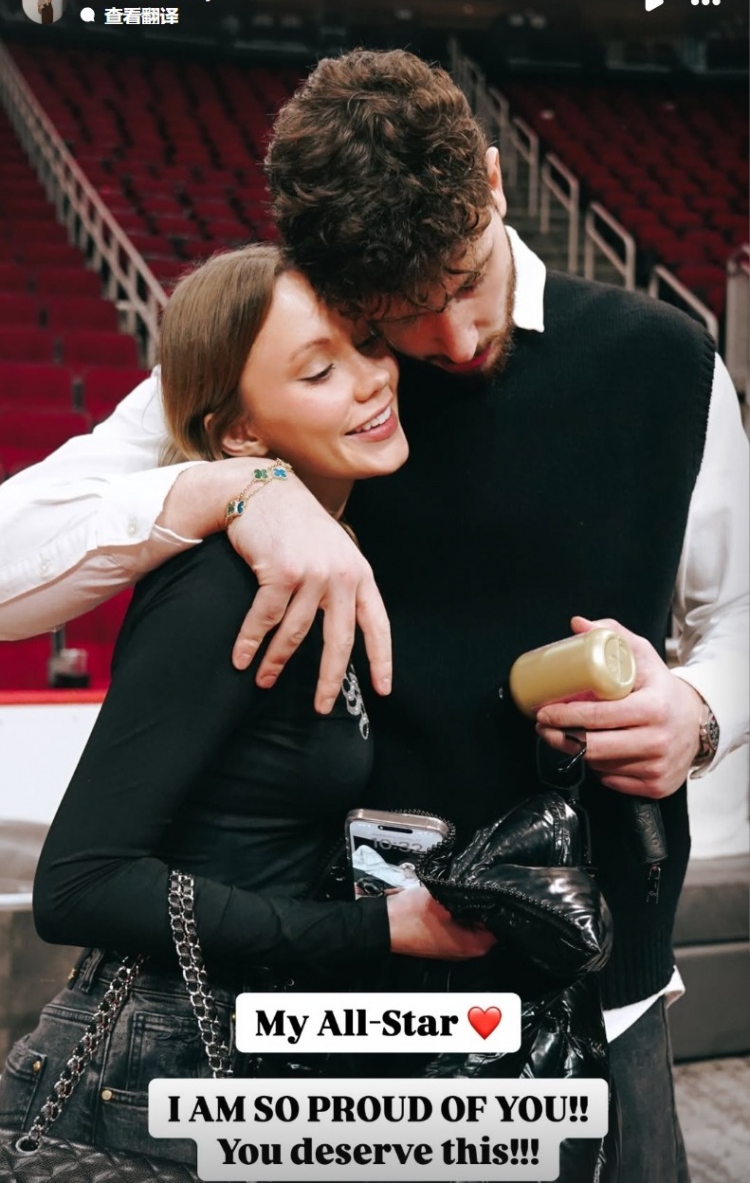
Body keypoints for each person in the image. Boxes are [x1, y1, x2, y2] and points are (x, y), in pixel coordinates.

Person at [0, 48, 747, 1183]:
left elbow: (738, 613)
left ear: (492, 178)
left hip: (596, 978)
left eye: (464, 279)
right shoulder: (294, 354)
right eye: (398, 316)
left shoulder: (668, 363)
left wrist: (697, 711)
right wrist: (230, 488)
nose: (453, 341)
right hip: (336, 1001)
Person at [0, 245, 495, 1168]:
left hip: (242, 1043)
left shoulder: (324, 560)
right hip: (155, 1064)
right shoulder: (222, 585)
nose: (371, 381)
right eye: (317, 371)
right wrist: (375, 929)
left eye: (366, 343)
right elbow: (79, 884)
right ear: (240, 435)